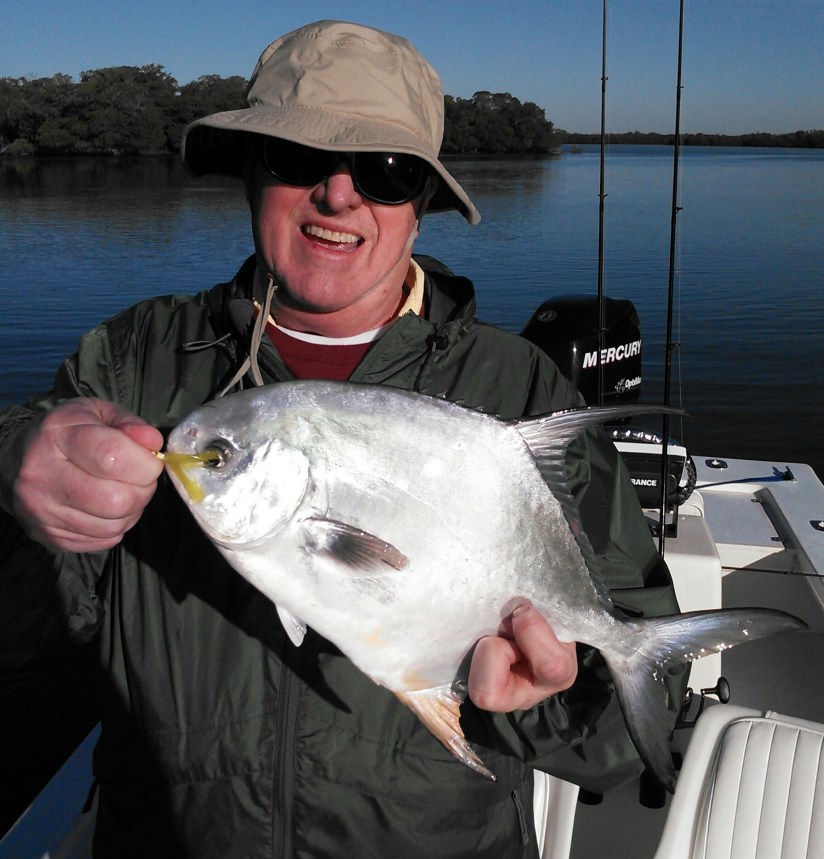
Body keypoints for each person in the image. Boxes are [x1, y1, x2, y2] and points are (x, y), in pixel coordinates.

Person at [0, 20, 683, 858]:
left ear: (421, 203)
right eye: (295, 157)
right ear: (251, 173)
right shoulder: (133, 361)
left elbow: (626, 734)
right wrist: (14, 479)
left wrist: (546, 700)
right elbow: (26, 637)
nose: (338, 194)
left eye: (387, 170)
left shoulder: (521, 391)